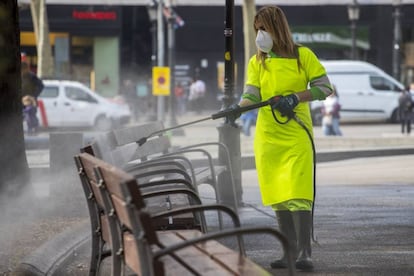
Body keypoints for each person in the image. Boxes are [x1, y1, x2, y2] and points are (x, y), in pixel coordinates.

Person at [223, 6, 333, 271]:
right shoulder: (256, 61)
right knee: (279, 195)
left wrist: (296, 97)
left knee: (298, 191)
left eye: (264, 28)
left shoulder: (303, 56)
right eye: (257, 29)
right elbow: (251, 94)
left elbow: (324, 87)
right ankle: (288, 252)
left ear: (277, 28)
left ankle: (304, 253)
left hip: (297, 134)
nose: (260, 35)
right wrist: (237, 107)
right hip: (268, 136)